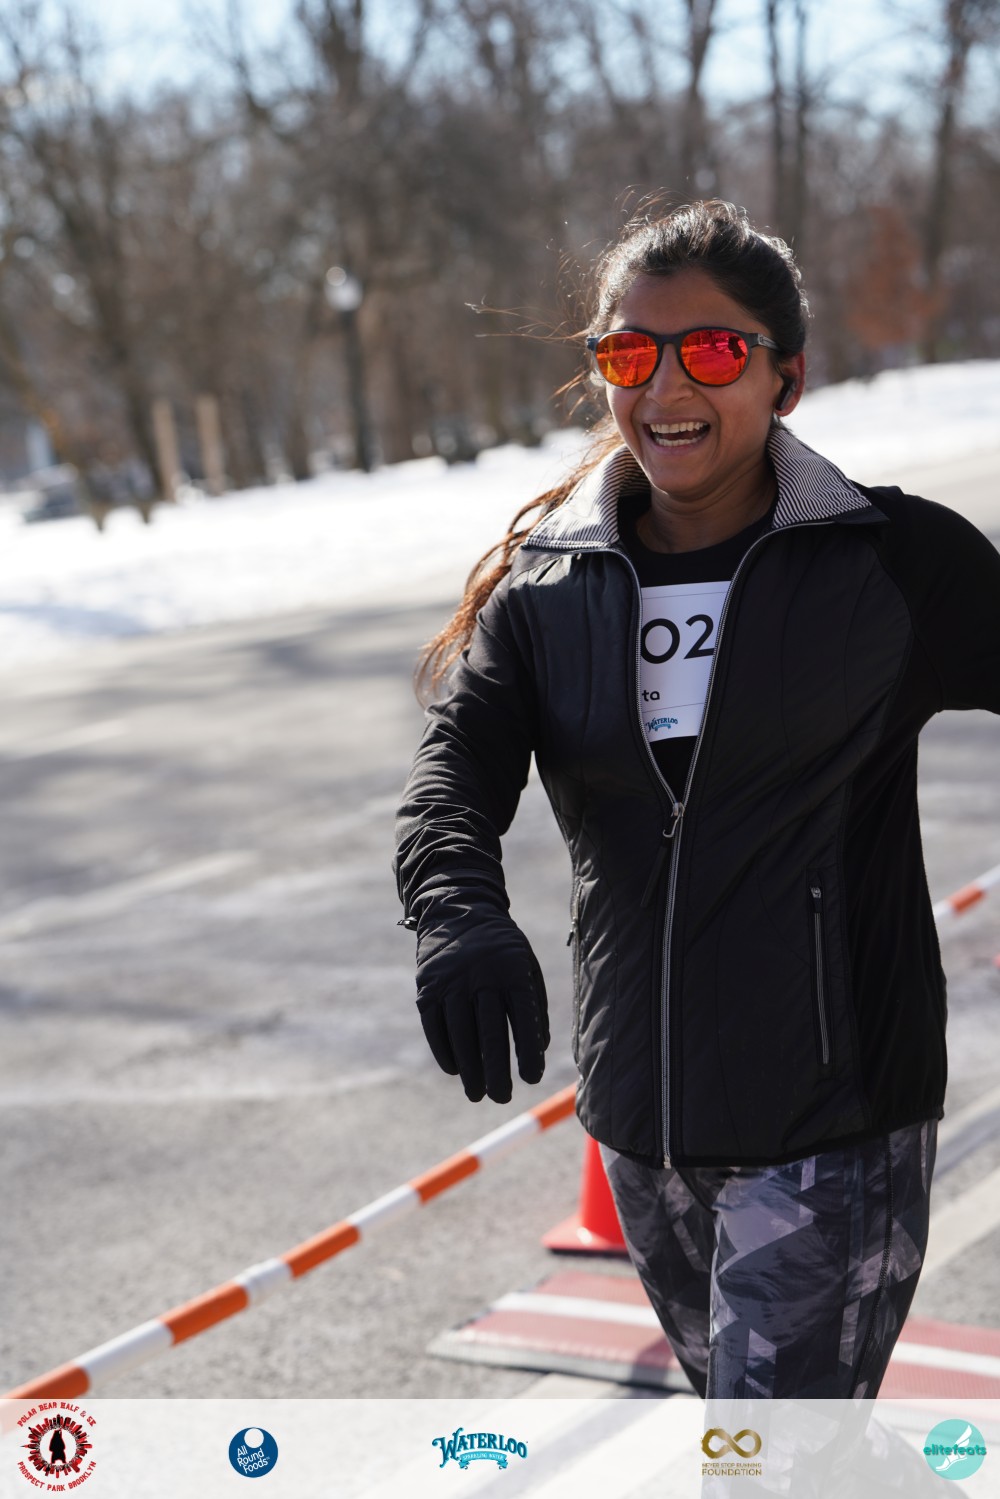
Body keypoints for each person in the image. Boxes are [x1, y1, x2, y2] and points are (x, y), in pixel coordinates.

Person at [393, 199, 1000, 1402]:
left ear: (786, 377)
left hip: (833, 1113)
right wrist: (456, 914)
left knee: (763, 1458)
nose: (667, 385)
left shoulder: (892, 559)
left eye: (713, 350)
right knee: (782, 1447)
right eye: (630, 353)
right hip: (640, 1117)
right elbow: (453, 771)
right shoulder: (550, 585)